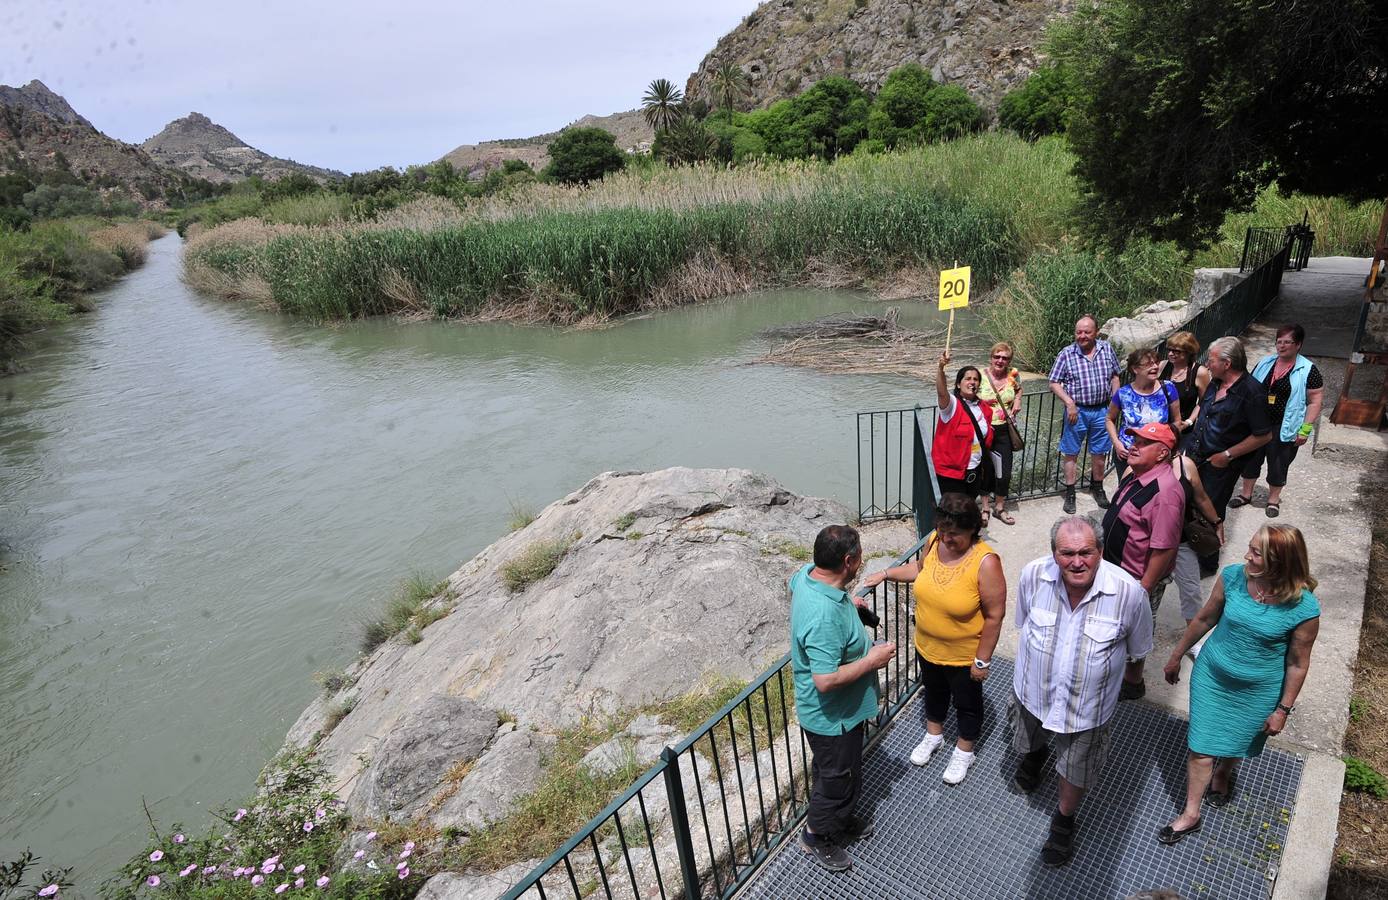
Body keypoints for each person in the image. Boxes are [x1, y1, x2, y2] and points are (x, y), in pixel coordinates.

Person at [1159, 525, 1320, 845]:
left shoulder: (1303, 607)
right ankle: (1191, 814)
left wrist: (1283, 709)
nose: (1247, 556)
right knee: (1201, 746)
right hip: (1213, 677)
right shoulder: (1234, 577)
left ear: (1280, 560)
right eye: (1250, 548)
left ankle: (1224, 773)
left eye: (1257, 553)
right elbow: (1205, 618)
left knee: (1239, 739)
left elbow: (1298, 663)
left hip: (1258, 690)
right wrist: (1176, 654)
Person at [1011, 516, 1154, 866]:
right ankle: (1035, 755)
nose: (1077, 562)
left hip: (1087, 710)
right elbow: (1022, 622)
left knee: (1076, 770)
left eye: (1086, 552)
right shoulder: (1032, 575)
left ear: (1101, 551)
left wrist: (1132, 679)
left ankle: (1063, 819)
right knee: (1029, 737)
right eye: (1067, 553)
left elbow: (1139, 648)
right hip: (1034, 693)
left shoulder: (1129, 593)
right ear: (1053, 554)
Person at [861, 494, 1006, 786]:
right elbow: (919, 569)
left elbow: (994, 615)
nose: (947, 538)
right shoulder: (934, 542)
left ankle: (964, 751)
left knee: (966, 703)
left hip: (964, 655)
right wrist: (886, 573)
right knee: (934, 692)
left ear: (972, 531)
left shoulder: (985, 562)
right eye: (943, 530)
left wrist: (982, 660)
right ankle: (934, 735)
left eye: (955, 534)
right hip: (927, 646)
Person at [790, 524, 897, 872]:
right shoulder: (823, 616)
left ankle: (838, 818)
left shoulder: (807, 576)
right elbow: (825, 680)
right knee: (837, 779)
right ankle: (816, 835)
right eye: (860, 556)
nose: (862, 561)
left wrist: (847, 604)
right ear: (848, 561)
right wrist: (872, 661)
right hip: (831, 718)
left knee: (838, 771)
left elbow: (808, 588)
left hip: (837, 715)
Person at [1100, 423, 1186, 701]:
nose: (1134, 445)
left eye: (1143, 442)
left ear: (1162, 453)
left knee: (1135, 631)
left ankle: (1132, 683)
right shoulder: (1137, 474)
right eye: (1134, 439)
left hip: (1135, 579)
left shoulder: (1166, 493)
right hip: (1115, 569)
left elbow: (1164, 547)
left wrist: (1143, 588)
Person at [1230, 324, 1325, 518]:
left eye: (1287, 342)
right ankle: (1246, 494)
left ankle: (1273, 500)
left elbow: (1315, 401)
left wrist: (1305, 429)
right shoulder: (1266, 362)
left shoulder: (1309, 370)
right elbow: (1248, 388)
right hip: (1257, 422)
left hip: (1285, 424)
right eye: (1279, 342)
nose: (1281, 346)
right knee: (1250, 458)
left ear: (1298, 345)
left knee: (1279, 463)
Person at [1182, 336, 1273, 522]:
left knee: (1208, 518)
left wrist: (1226, 455)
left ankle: (1205, 550)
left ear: (1227, 363)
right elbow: (1203, 406)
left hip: (1217, 469)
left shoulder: (1252, 393)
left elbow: (1263, 435)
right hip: (1193, 459)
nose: (1206, 364)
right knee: (1185, 509)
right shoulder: (1215, 382)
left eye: (1211, 360)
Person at [1049, 316, 1121, 514]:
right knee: (1071, 452)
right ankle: (1070, 492)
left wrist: (1116, 400)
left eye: (1087, 332)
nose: (1082, 336)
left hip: (1102, 410)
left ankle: (1097, 487)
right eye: (1078, 332)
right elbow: (1054, 382)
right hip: (1077, 411)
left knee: (1100, 452)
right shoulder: (1066, 353)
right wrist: (1069, 402)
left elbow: (1115, 375)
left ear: (1096, 332)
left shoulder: (1106, 349)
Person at [1165, 449, 1227, 639]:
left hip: (1182, 540)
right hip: (1149, 544)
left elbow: (1200, 497)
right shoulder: (1137, 467)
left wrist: (1217, 522)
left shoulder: (1186, 465)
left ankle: (1194, 639)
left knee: (1191, 591)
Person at [1105, 348, 1180, 479]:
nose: (1155, 367)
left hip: (1156, 456)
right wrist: (1116, 443)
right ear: (1135, 369)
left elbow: (1177, 421)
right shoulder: (1123, 393)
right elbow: (1109, 419)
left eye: (1156, 362)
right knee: (1127, 490)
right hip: (1128, 454)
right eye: (1148, 364)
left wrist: (1171, 447)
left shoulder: (1168, 388)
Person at [933, 351, 993, 503]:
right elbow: (941, 392)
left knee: (968, 505)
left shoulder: (983, 408)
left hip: (975, 468)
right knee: (952, 510)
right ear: (959, 384)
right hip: (951, 472)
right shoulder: (952, 405)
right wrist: (941, 368)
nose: (972, 382)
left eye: (976, 379)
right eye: (968, 379)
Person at [978, 341, 1023, 525]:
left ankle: (1000, 508)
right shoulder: (979, 375)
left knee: (1004, 472)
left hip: (1004, 429)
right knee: (985, 470)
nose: (1000, 360)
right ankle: (985, 508)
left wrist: (1018, 402)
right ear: (991, 358)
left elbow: (1019, 390)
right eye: (997, 356)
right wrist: (982, 402)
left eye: (1004, 358)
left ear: (1009, 360)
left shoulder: (1014, 375)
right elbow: (966, 394)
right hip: (983, 428)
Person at [1160, 331, 1211, 440]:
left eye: (1176, 351)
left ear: (1189, 352)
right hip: (1159, 427)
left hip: (1182, 430)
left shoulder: (1200, 372)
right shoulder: (1162, 366)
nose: (1170, 354)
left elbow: (1204, 401)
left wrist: (1189, 422)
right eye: (1169, 350)